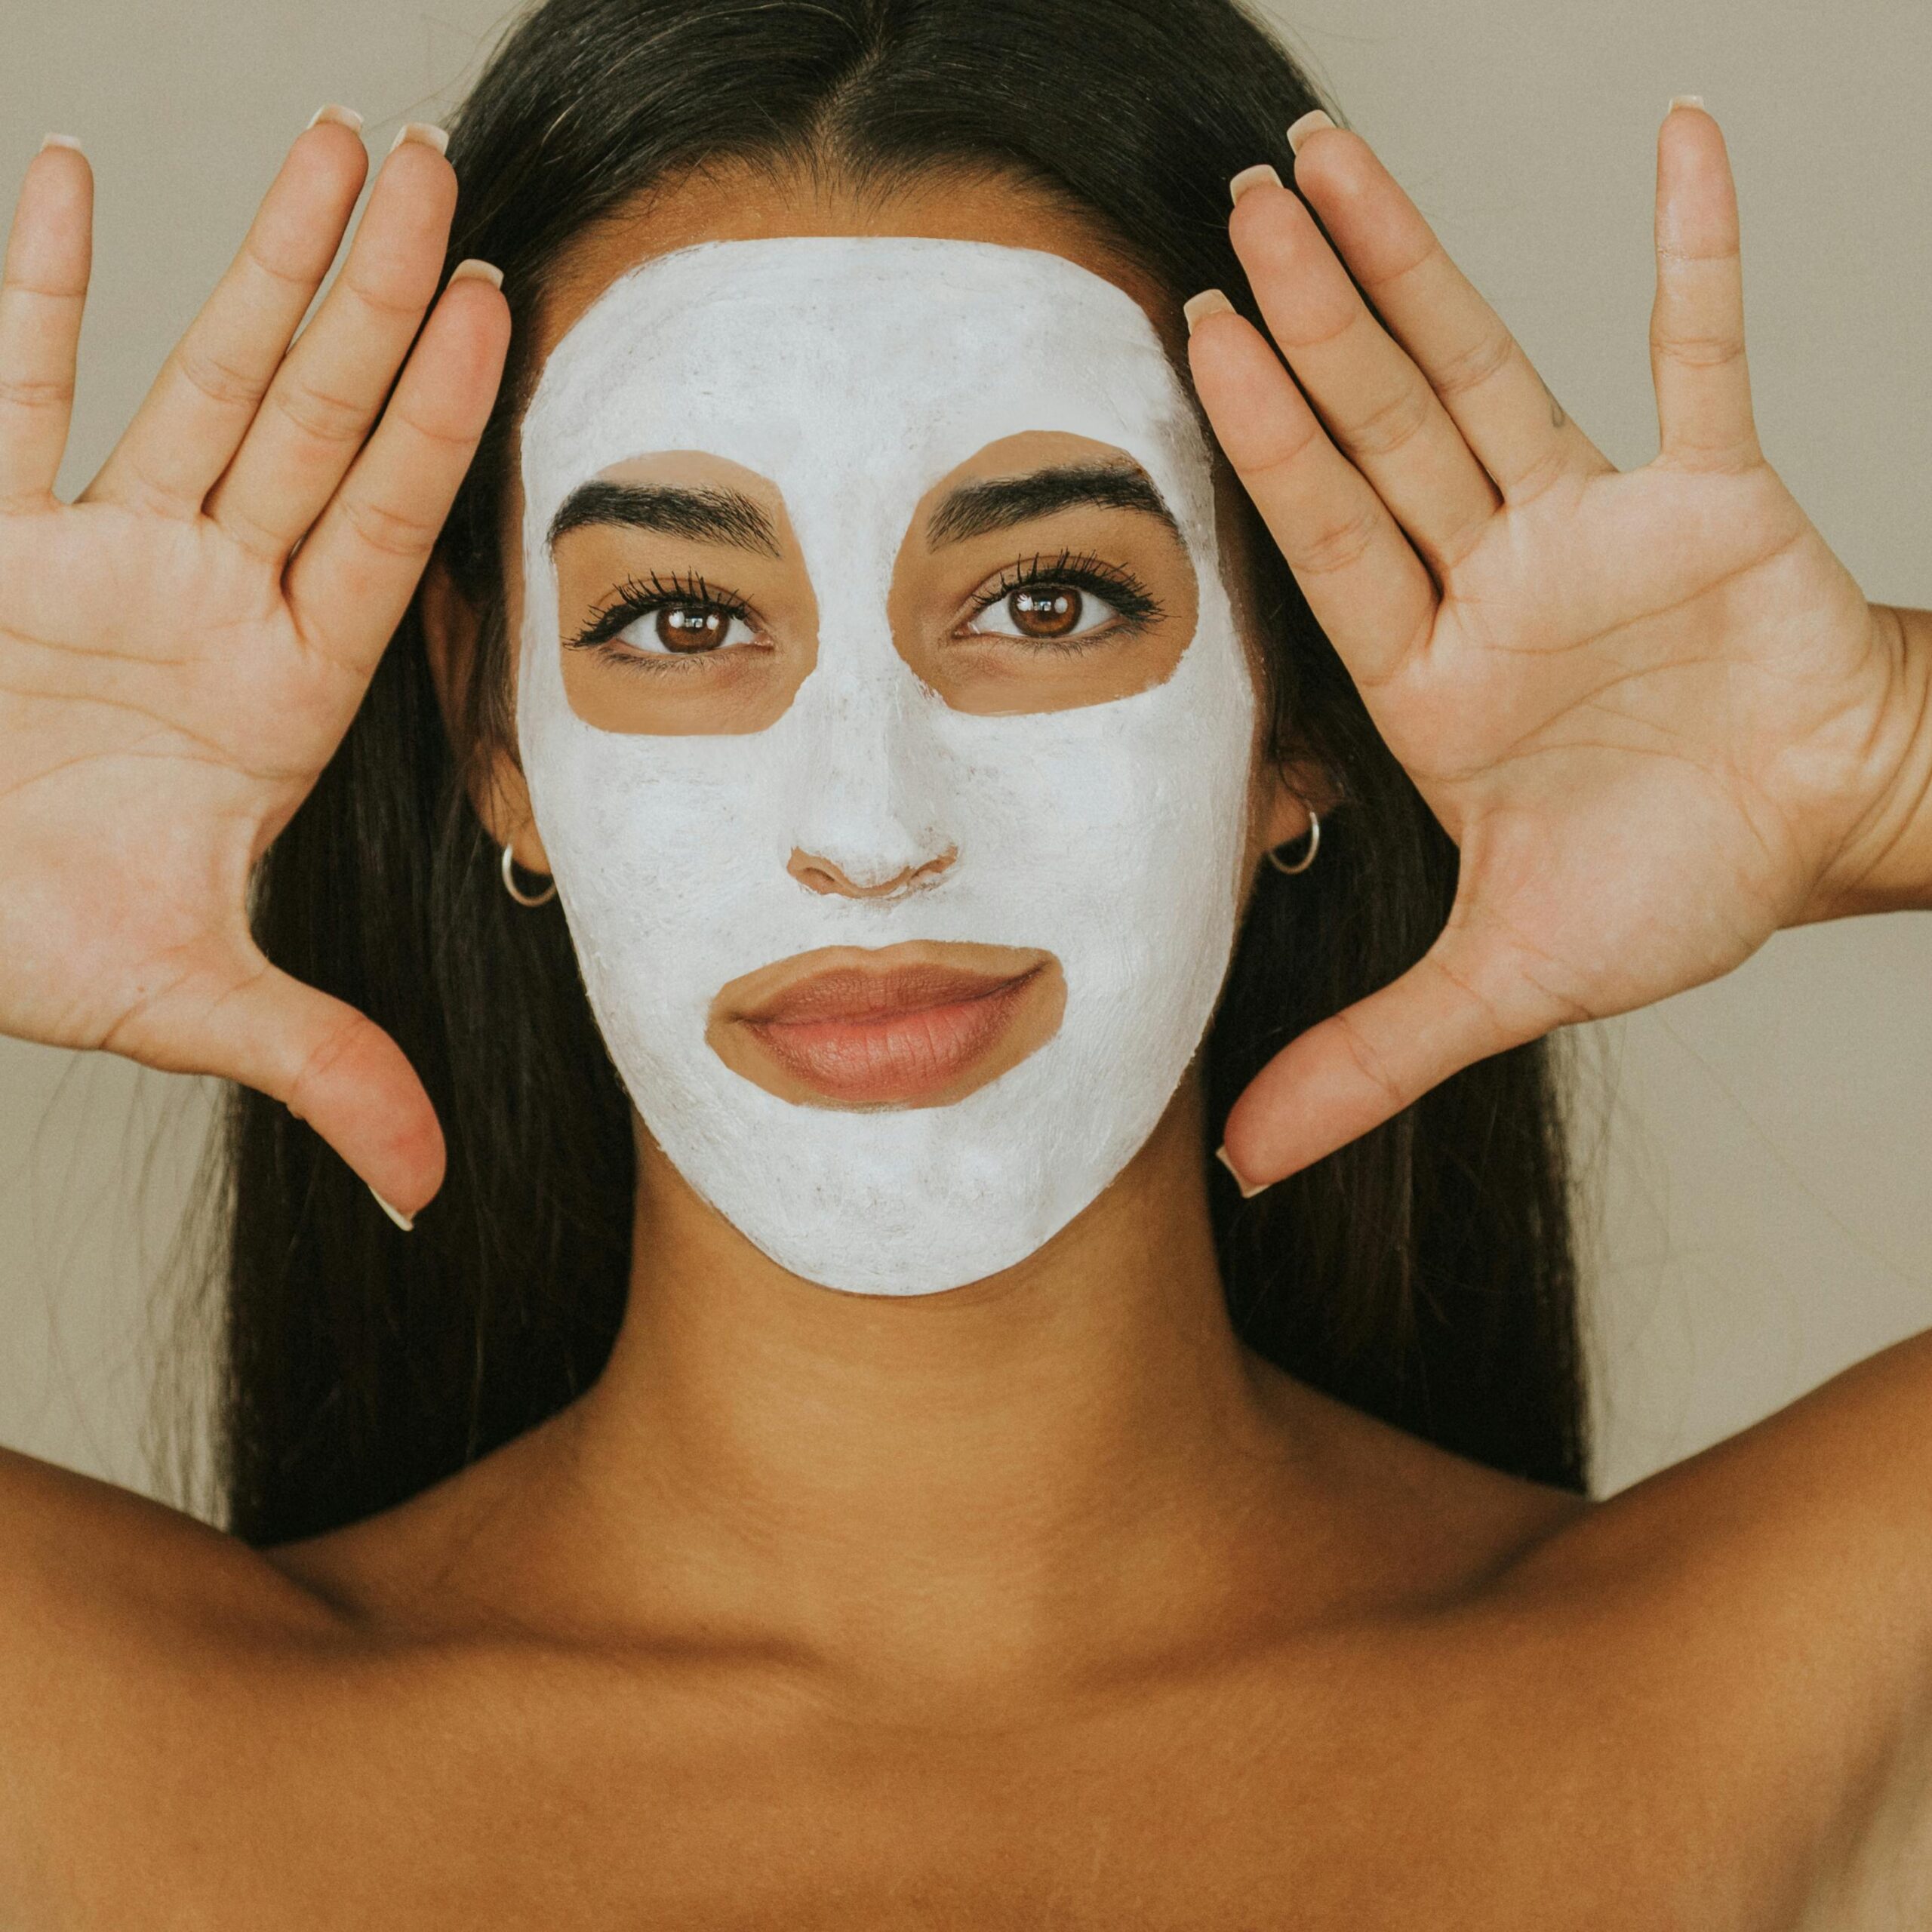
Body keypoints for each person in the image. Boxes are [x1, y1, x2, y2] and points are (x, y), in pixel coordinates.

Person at [0, 0, 1927, 1919]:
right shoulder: (84, 1728)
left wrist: (1876, 761)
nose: (866, 827)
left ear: (1299, 709)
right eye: (681, 617)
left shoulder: (1760, 1679)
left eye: (1046, 596)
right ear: (497, 737)